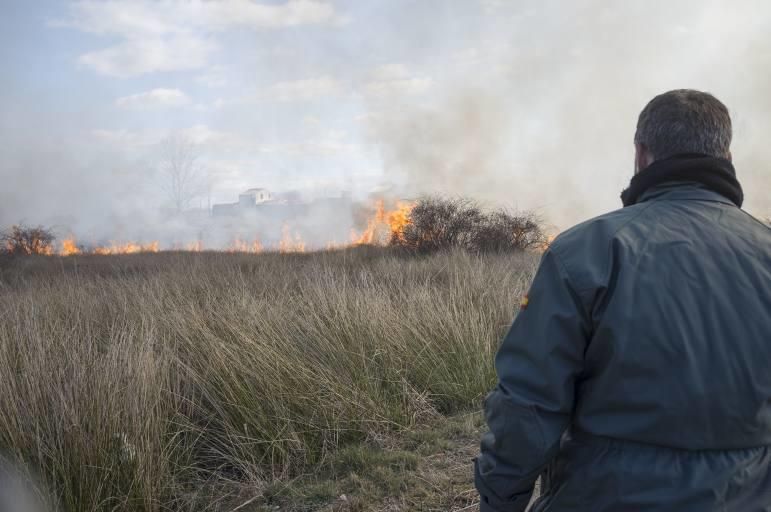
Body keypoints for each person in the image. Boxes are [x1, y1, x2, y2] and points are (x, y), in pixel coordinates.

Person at [474, 89, 771, 511]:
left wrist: (499, 501)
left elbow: (528, 408)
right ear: (726, 153)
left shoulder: (584, 251)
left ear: (641, 153)